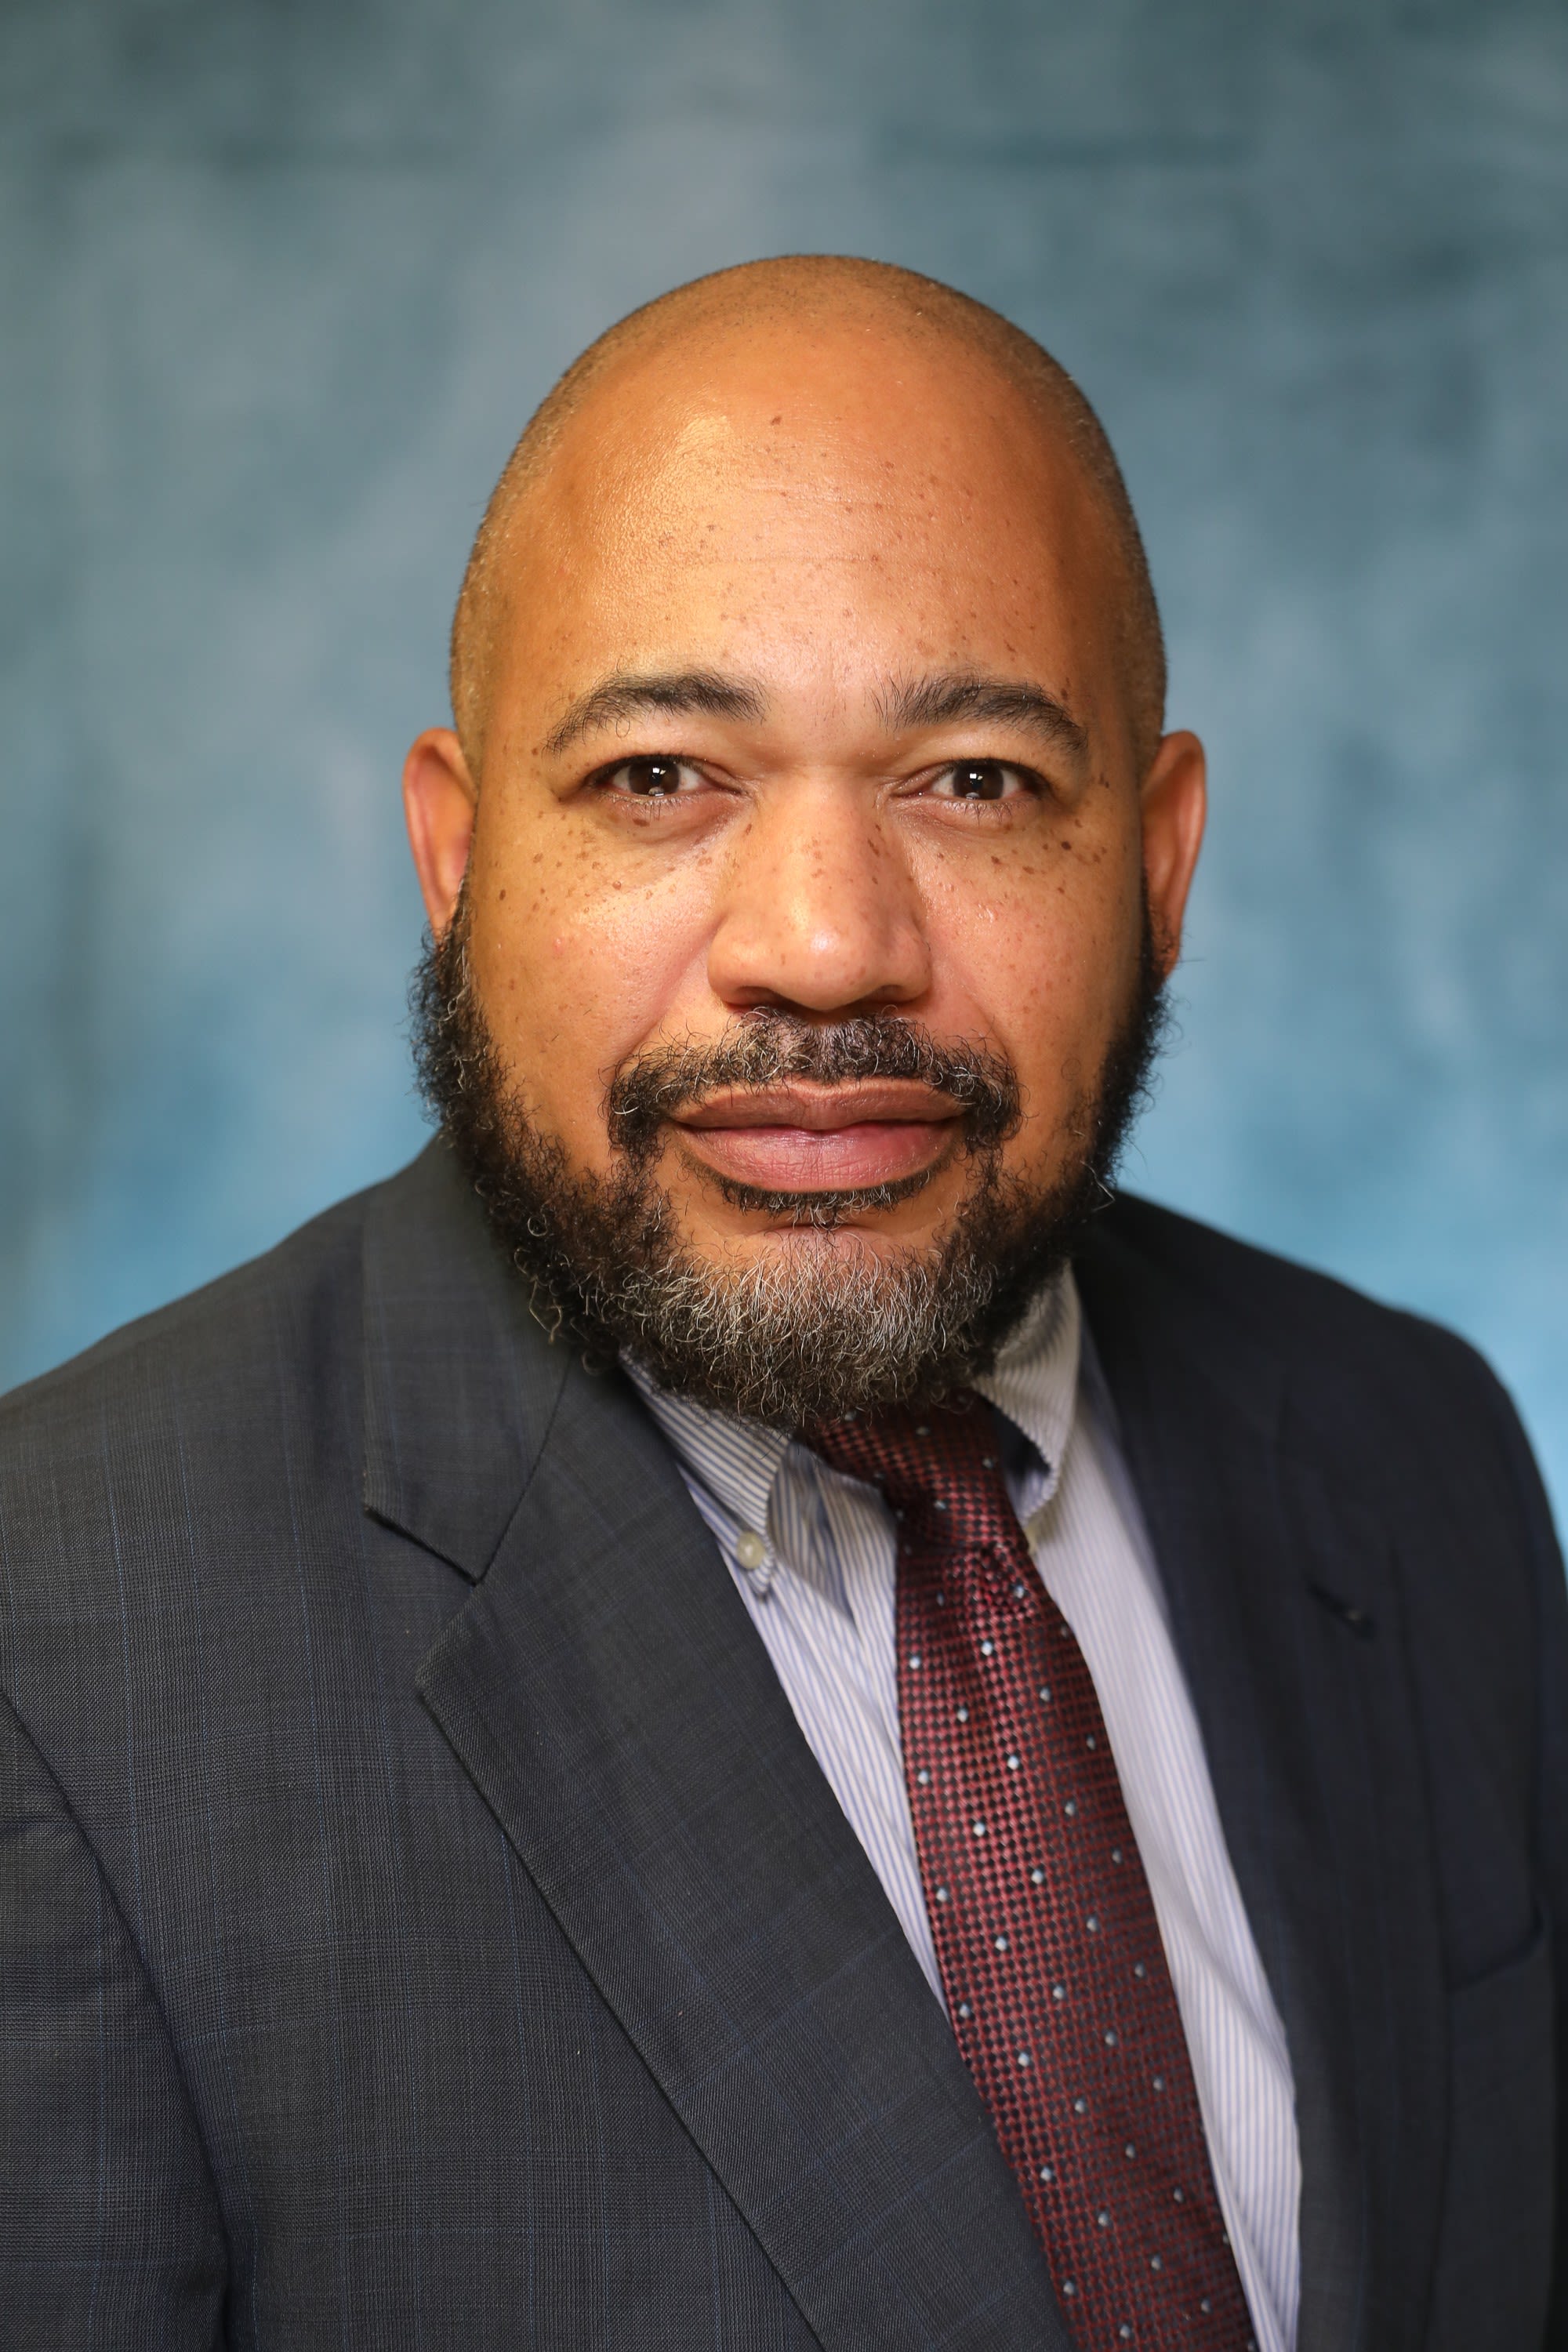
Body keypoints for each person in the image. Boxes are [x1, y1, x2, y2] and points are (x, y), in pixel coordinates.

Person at [1, 256, 1562, 2352]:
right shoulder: (62, 1642)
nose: (827, 950)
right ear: (458, 865)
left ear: (1161, 861)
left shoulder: (1416, 1446)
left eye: (976, 781)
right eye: (662, 775)